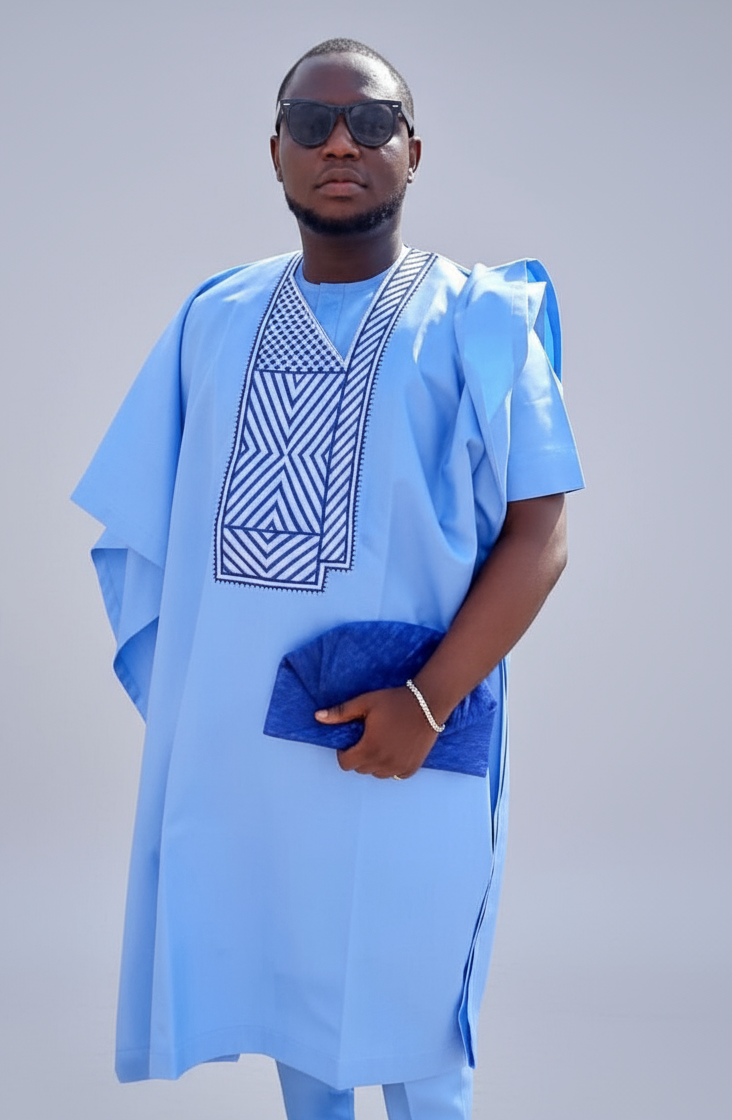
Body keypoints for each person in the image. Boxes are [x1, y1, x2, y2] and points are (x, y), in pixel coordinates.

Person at [73, 37, 583, 1120]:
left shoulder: (480, 321)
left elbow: (539, 531)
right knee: (287, 999)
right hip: (254, 748)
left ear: (412, 148)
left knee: (417, 1014)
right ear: (274, 151)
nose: (339, 141)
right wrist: (191, 702)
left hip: (413, 727)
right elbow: (146, 534)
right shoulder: (213, 319)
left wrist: (425, 699)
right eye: (310, 122)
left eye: (368, 120)